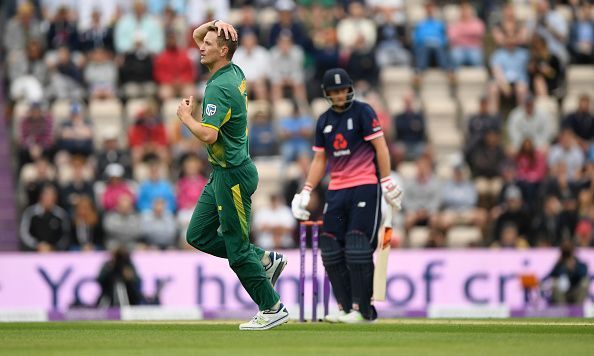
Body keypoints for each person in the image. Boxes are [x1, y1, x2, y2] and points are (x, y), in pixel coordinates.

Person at [176, 20, 288, 331]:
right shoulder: (234, 71)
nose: (201, 46)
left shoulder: (219, 87)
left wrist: (186, 118)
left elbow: (209, 135)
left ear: (223, 51)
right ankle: (263, 260)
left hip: (233, 177)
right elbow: (198, 35)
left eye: (209, 44)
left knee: (237, 250)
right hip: (223, 173)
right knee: (196, 235)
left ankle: (272, 307)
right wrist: (212, 25)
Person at [291, 68, 402, 323]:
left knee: (357, 245)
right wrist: (306, 190)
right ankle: (344, 307)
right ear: (327, 94)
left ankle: (363, 310)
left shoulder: (364, 111)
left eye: (343, 90)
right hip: (337, 190)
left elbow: (381, 147)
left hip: (365, 185)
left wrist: (385, 181)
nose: (340, 95)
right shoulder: (323, 121)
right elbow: (320, 159)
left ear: (349, 89)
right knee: (329, 247)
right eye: (334, 91)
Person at [545, 240, 590, 305]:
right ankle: (562, 310)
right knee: (554, 283)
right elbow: (551, 275)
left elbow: (583, 275)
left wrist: (574, 269)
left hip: (575, 291)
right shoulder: (559, 264)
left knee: (585, 282)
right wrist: (563, 268)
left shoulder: (580, 264)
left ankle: (578, 309)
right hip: (563, 293)